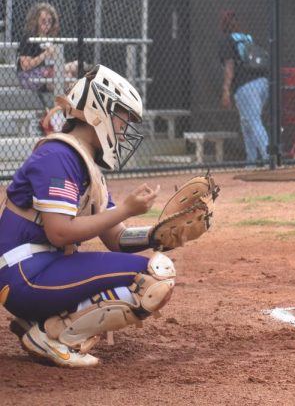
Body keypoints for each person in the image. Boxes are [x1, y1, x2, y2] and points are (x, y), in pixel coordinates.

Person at [0, 65, 173, 368]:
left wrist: (162, 234)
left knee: (158, 266)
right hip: (24, 274)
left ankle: (40, 321)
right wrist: (126, 208)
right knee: (155, 277)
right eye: (123, 117)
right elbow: (61, 233)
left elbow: (116, 239)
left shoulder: (83, 162)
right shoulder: (59, 155)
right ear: (99, 110)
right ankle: (50, 333)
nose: (124, 129)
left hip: (41, 268)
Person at [219, 10, 269, 165]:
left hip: (245, 85)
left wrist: (226, 90)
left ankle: (269, 158)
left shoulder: (227, 40)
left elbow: (229, 66)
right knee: (246, 122)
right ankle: (251, 160)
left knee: (252, 121)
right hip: (263, 82)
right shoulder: (248, 37)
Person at [16, 2, 79, 100]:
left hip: (51, 74)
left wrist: (56, 56)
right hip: (32, 76)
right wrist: (45, 54)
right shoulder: (29, 38)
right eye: (43, 21)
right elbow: (25, 66)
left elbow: (59, 63)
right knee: (70, 74)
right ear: (36, 21)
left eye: (49, 21)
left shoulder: (51, 38)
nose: (47, 25)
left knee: (73, 71)